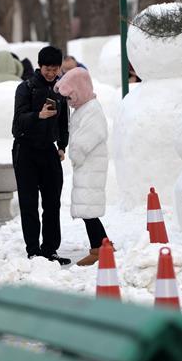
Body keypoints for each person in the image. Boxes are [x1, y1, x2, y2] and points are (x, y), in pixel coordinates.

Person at [11, 46, 71, 265]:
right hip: (25, 150)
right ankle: (33, 251)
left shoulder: (60, 89)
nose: (51, 73)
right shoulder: (25, 87)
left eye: (55, 69)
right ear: (40, 66)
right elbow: (17, 122)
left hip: (49, 150)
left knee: (52, 203)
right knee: (29, 203)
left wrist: (62, 146)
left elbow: (64, 122)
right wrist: (39, 115)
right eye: (48, 69)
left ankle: (50, 249)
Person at [54, 66, 111, 266]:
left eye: (70, 96)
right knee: (87, 209)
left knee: (89, 210)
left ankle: (101, 249)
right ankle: (101, 246)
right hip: (86, 167)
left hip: (91, 165)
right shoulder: (83, 109)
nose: (69, 101)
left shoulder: (92, 109)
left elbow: (89, 136)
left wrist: (75, 153)